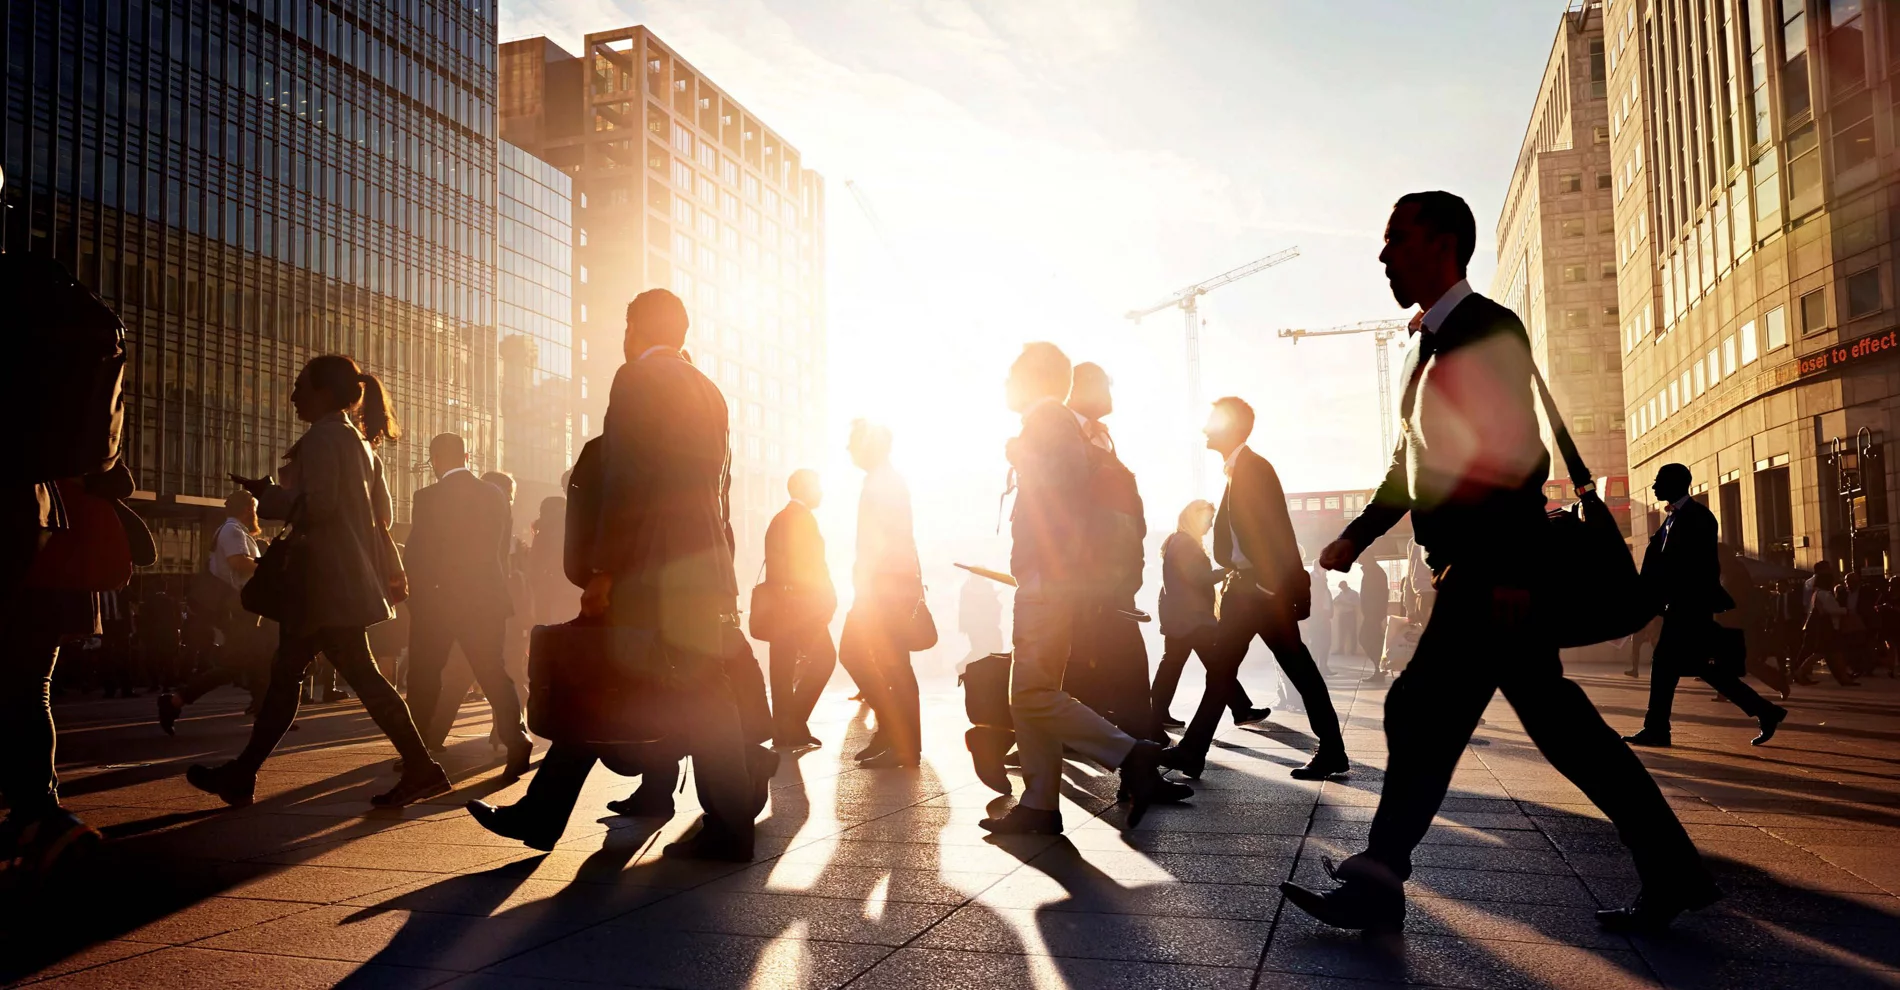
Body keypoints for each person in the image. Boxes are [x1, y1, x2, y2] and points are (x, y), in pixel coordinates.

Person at [1281, 191, 1717, 936]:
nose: (1384, 255)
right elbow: (1407, 468)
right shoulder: (1431, 346)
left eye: (1397, 239)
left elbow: (1518, 456)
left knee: (1420, 712)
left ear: (1444, 243)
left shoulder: (1486, 330)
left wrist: (1514, 570)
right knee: (1554, 728)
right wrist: (1358, 535)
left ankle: (1380, 881)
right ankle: (1672, 870)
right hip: (1477, 573)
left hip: (1490, 574)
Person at [465, 288, 760, 861]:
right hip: (702, 565)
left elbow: (627, 483)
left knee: (601, 680)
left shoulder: (636, 380)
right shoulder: (710, 390)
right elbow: (719, 491)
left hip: (651, 564)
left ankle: (544, 813)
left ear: (634, 328)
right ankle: (728, 826)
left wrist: (603, 569)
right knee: (703, 696)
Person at [187, 354, 449, 808]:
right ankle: (243, 774)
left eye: (299, 388)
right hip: (339, 580)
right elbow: (380, 515)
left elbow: (320, 506)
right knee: (293, 674)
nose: (292, 397)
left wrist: (269, 496)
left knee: (342, 677)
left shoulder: (324, 438)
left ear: (325, 393)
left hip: (322, 582)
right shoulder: (360, 443)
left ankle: (422, 769)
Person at [978, 342, 1186, 836]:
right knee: (1033, 691)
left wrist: (1049, 571)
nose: (1005, 384)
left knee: (1029, 694)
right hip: (1052, 578)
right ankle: (1039, 804)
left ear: (1032, 378)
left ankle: (1129, 753)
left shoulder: (1046, 421)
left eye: (1011, 374)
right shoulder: (1055, 423)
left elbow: (1061, 499)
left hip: (1048, 581)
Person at [1161, 397, 1347, 781]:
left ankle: (1331, 750)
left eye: (1212, 421)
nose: (1204, 429)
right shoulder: (1237, 471)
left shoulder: (1253, 469)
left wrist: (1272, 585)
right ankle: (1193, 752)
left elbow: (1278, 529)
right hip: (1247, 592)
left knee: (1293, 669)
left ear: (1231, 427)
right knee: (1227, 672)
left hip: (1259, 594)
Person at [1622, 465, 1787, 748]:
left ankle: (1657, 729)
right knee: (1700, 668)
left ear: (1675, 483)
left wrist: (1666, 596)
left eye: (1658, 481)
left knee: (1666, 665)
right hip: (1680, 606)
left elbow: (1694, 566)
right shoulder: (1673, 519)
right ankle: (1765, 711)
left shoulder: (1699, 518)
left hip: (1689, 607)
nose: (1653, 487)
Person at [399, 434, 533, 776]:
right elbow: (501, 550)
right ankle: (516, 736)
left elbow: (418, 552)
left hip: (440, 601)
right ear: (467, 456)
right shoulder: (494, 494)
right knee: (493, 671)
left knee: (426, 675)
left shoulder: (428, 497)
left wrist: (417, 596)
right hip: (486, 597)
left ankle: (418, 749)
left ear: (435, 459)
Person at [1062, 362, 1160, 741]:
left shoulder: (1101, 437)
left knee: (1101, 666)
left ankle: (1141, 748)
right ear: (1082, 386)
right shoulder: (1064, 433)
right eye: (1106, 387)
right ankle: (1142, 753)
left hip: (1113, 578)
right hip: (1085, 580)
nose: (1111, 397)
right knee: (1113, 665)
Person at [839, 420, 925, 768]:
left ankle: (900, 739)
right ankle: (895, 735)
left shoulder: (883, 483)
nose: (848, 449)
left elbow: (886, 540)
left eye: (853, 442)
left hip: (883, 588)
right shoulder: (883, 480)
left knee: (870, 658)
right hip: (886, 585)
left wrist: (867, 585)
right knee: (889, 664)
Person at [1153, 499, 1269, 729]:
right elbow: (1198, 577)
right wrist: (1228, 570)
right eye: (1208, 519)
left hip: (1180, 616)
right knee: (1218, 663)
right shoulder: (1185, 543)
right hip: (1192, 618)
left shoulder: (1177, 541)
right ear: (1194, 518)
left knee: (1174, 665)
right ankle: (1241, 710)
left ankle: (1156, 714)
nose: (1210, 524)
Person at [157, 490, 265, 733]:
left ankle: (265, 712)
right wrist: (267, 567)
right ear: (248, 508)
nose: (256, 513)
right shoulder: (232, 530)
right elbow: (238, 563)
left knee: (254, 660)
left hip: (241, 607)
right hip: (237, 607)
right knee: (243, 662)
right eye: (254, 508)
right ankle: (176, 700)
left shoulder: (233, 530)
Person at [761, 468, 838, 750]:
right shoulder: (800, 519)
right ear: (804, 488)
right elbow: (811, 567)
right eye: (817, 486)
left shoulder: (782, 518)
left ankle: (786, 731)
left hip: (782, 608)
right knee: (825, 659)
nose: (821, 492)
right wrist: (825, 599)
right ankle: (793, 722)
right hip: (801, 609)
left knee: (782, 669)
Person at [529, 495, 581, 625]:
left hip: (547, 589)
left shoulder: (542, 533)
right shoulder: (572, 530)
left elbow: (535, 564)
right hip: (568, 588)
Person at [1359, 557, 1391, 681]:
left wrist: (1375, 614)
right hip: (1372, 614)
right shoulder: (1373, 571)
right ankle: (1379, 669)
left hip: (1373, 614)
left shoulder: (1375, 572)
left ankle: (1380, 668)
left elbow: (1379, 595)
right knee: (1375, 641)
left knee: (1365, 639)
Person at [1302, 561, 1333, 677]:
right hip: (1316, 616)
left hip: (1324, 616)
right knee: (1316, 642)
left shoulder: (1322, 579)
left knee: (1326, 642)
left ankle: (1324, 666)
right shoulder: (1312, 579)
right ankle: (1315, 668)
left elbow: (1326, 596)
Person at [1332, 580, 1361, 656]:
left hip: (1350, 614)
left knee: (1352, 633)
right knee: (1341, 633)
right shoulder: (1341, 594)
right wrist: (1337, 602)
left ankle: (1353, 651)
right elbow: (1334, 600)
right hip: (1342, 614)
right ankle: (1341, 649)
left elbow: (1357, 603)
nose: (1342, 589)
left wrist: (1345, 602)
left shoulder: (1353, 593)